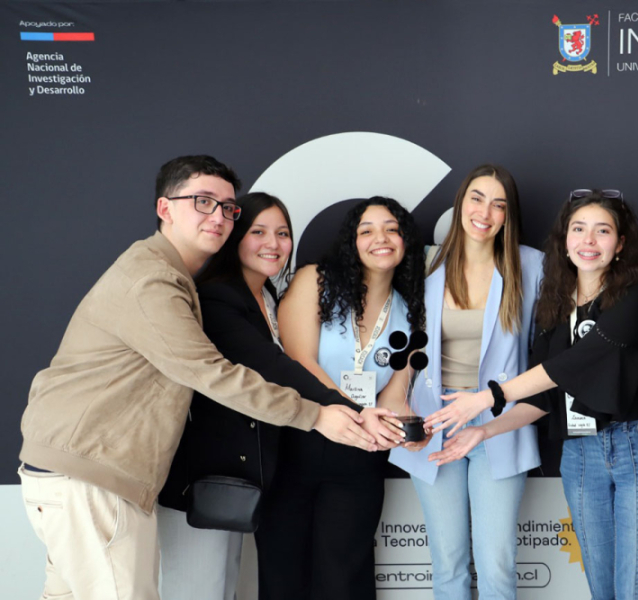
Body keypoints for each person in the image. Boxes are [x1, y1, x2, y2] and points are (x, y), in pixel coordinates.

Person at [17, 156, 376, 600]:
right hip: (91, 481)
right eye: (203, 202)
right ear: (165, 209)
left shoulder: (174, 276)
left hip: (77, 475)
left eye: (228, 208)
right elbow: (211, 374)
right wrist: (316, 415)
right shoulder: (153, 280)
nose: (218, 216)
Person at [428, 190, 638, 599]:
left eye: (602, 231)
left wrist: (488, 396)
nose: (588, 240)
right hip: (580, 454)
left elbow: (574, 364)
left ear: (620, 245)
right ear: (564, 240)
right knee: (601, 586)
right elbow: (544, 395)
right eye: (578, 229)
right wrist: (485, 431)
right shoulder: (553, 301)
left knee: (635, 587)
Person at [156, 193, 397, 599]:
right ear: (234, 237)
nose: (274, 243)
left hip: (270, 465)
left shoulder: (269, 296)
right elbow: (278, 367)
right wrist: (351, 411)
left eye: (283, 233)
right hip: (217, 474)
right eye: (259, 232)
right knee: (209, 586)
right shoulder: (218, 298)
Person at [390, 164, 543, 600]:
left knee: (497, 564)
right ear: (460, 204)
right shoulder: (425, 262)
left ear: (508, 216)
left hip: (499, 423)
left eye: (499, 204)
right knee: (448, 563)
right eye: (477, 198)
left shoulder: (531, 266)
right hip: (433, 424)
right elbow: (404, 353)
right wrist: (405, 416)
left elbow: (549, 358)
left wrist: (486, 404)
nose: (485, 211)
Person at [261, 196, 426, 599]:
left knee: (344, 577)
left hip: (359, 456)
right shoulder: (315, 281)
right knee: (283, 575)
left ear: (405, 240)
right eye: (366, 230)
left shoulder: (411, 311)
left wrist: (408, 429)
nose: (380, 238)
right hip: (296, 440)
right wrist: (358, 414)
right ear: (351, 242)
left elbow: (394, 394)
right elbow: (299, 361)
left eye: (391, 228)